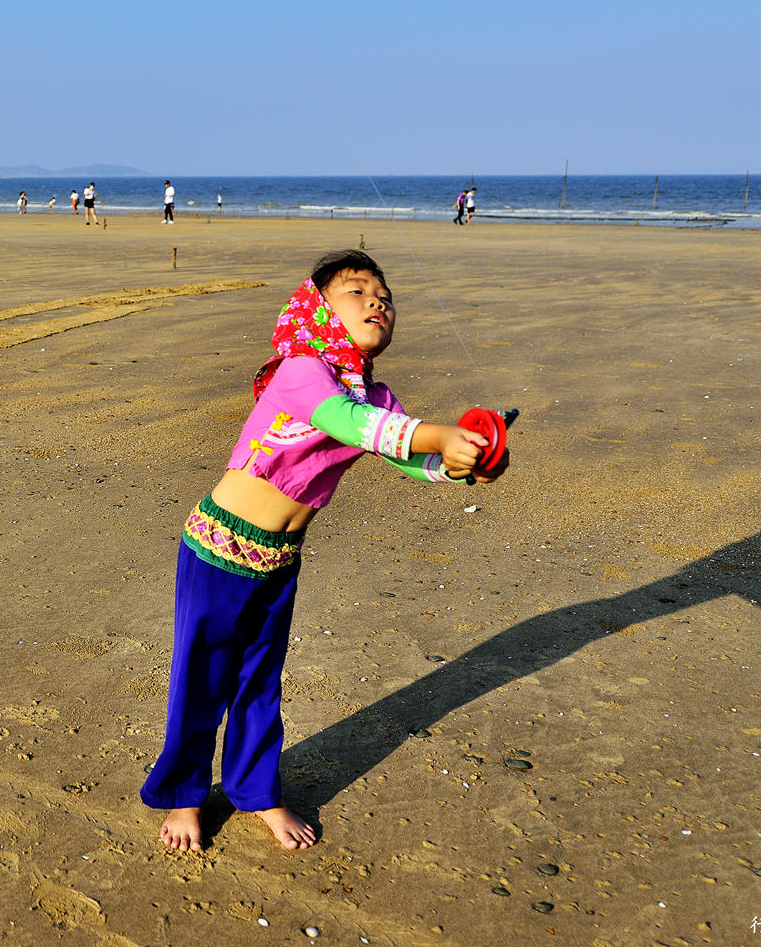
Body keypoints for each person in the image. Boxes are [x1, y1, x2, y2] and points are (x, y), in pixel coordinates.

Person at [139, 249, 510, 853]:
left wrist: (465, 464)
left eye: (384, 297)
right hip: (216, 546)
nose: (377, 303)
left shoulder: (377, 398)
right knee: (202, 676)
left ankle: (255, 792)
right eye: (357, 292)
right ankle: (184, 794)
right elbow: (348, 423)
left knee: (261, 681)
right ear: (317, 310)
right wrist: (440, 433)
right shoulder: (300, 370)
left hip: (278, 559)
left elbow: (410, 456)